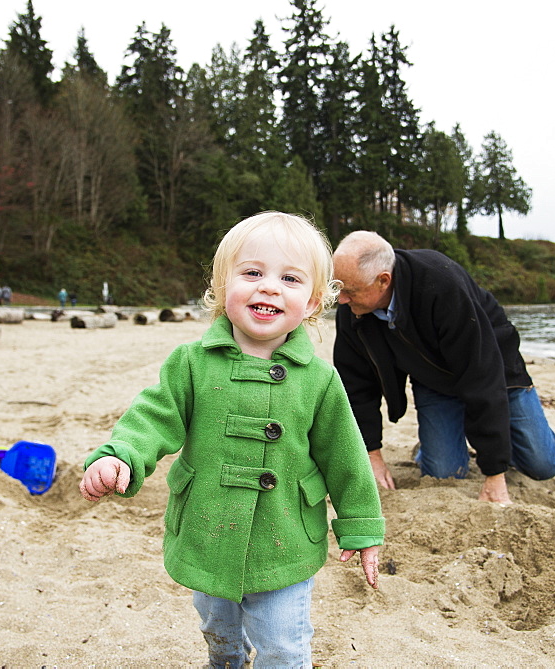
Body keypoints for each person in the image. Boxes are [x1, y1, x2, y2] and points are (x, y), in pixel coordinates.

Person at [80, 212, 384, 668]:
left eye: (290, 278)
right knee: (217, 628)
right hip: (207, 526)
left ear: (314, 302)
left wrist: (361, 525)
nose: (269, 287)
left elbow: (346, 457)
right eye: (252, 273)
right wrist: (121, 455)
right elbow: (152, 417)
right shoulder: (191, 363)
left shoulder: (319, 379)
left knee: (283, 645)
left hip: (285, 538)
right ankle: (226, 659)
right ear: (222, 287)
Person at [332, 231, 555, 504]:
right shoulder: (353, 310)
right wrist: (372, 453)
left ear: (383, 280)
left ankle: (500, 440)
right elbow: (356, 386)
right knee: (444, 472)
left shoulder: (441, 284)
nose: (340, 299)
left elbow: (482, 378)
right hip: (434, 381)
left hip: (496, 371)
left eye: (349, 291)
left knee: (542, 466)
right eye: (337, 288)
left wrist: (494, 473)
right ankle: (435, 444)